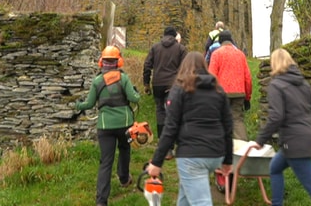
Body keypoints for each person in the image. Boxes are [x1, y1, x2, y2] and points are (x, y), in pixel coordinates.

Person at [145, 51, 233, 206]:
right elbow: (228, 127)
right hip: (216, 154)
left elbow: (170, 128)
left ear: (183, 67)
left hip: (192, 156)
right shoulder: (219, 91)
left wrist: (157, 162)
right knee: (185, 198)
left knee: (201, 202)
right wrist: (227, 160)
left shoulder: (179, 90)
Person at [253, 48, 311, 206]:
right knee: (275, 167)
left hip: (294, 142)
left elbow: (276, 117)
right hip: (304, 138)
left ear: (274, 63)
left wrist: (260, 140)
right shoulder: (303, 84)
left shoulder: (276, 85)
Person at [75, 45, 142, 206]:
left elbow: (89, 104)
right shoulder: (124, 78)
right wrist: (136, 92)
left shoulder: (97, 81)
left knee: (106, 162)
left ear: (101, 62)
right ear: (119, 61)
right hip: (125, 124)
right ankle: (124, 178)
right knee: (125, 150)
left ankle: (101, 201)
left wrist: (78, 105)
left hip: (105, 126)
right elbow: (135, 98)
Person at [143, 26, 187, 155]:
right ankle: (170, 147)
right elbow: (186, 67)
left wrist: (146, 83)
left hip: (157, 85)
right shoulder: (181, 48)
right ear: (174, 36)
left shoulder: (155, 47)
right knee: (172, 114)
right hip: (173, 85)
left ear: (163, 35)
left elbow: (147, 65)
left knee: (160, 112)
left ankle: (162, 144)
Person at [208, 30, 252, 140]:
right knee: (237, 120)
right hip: (239, 92)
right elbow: (248, 78)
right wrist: (247, 97)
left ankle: (221, 149)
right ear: (231, 41)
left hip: (221, 93)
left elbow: (211, 77)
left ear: (220, 42)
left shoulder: (216, 54)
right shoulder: (240, 54)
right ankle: (242, 150)